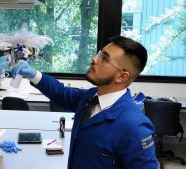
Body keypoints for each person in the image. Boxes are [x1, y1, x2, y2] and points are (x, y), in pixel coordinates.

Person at [10, 36, 158, 169]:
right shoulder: (90, 98)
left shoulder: (135, 127)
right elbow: (61, 93)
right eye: (100, 53)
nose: (94, 59)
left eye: (105, 58)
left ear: (121, 76)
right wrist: (33, 74)